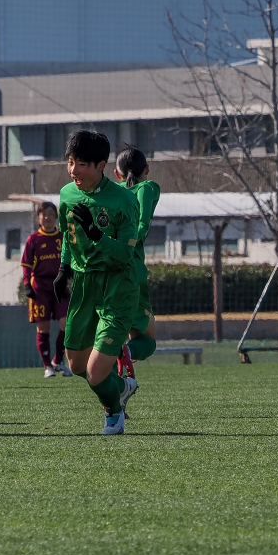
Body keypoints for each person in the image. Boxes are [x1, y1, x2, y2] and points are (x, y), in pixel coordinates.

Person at [55, 129, 141, 436]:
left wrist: (96, 234)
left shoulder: (124, 200)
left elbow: (124, 255)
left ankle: (114, 415)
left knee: (94, 372)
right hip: (83, 285)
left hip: (117, 287)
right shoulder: (67, 194)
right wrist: (64, 268)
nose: (74, 170)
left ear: (101, 165)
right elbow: (68, 233)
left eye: (82, 164)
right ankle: (121, 386)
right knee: (76, 365)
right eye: (71, 161)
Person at [114, 146, 159, 382]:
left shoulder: (110, 193)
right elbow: (141, 226)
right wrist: (130, 243)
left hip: (104, 271)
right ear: (147, 169)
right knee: (147, 341)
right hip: (132, 271)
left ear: (116, 173)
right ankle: (128, 353)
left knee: (110, 337)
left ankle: (114, 403)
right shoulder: (147, 187)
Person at [20, 200, 71, 377]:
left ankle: (58, 360)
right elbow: (26, 265)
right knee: (44, 328)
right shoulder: (33, 240)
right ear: (38, 218)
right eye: (43, 214)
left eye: (50, 213)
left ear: (56, 217)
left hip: (60, 287)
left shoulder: (63, 238)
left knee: (66, 324)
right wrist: (27, 285)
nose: (47, 217)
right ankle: (47, 366)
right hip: (40, 287)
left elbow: (70, 261)